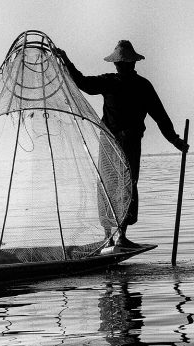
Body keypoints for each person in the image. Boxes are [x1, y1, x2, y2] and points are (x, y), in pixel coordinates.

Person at [55, 40, 189, 247]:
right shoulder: (112, 82)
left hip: (128, 143)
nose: (122, 67)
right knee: (109, 185)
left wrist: (175, 140)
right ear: (118, 65)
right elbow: (83, 83)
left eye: (124, 64)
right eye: (120, 64)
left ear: (132, 65)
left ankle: (119, 237)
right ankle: (111, 236)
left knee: (124, 185)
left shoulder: (141, 86)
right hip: (111, 142)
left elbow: (160, 117)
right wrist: (65, 61)